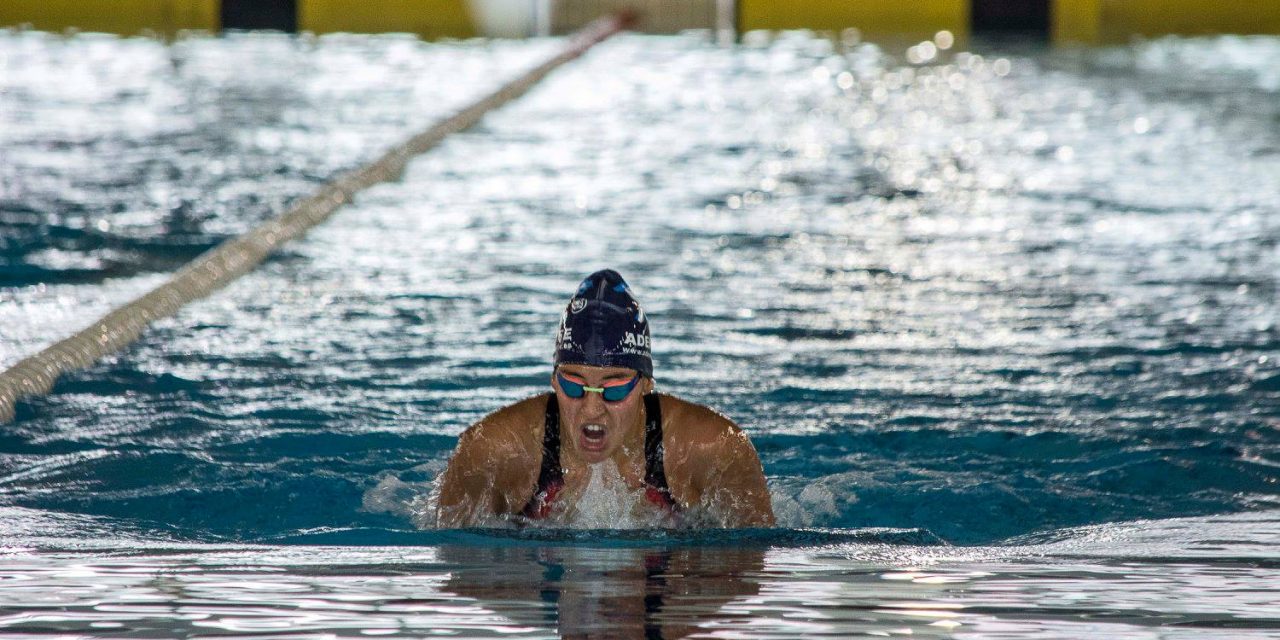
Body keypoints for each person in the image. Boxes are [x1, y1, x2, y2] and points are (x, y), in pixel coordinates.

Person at [436, 269, 774, 528]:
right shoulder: (493, 451)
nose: (592, 408)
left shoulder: (711, 449)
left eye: (613, 389)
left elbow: (749, 566)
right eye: (573, 386)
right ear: (554, 381)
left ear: (645, 385)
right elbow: (451, 561)